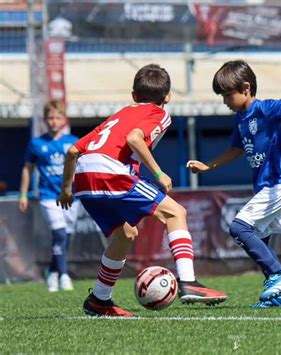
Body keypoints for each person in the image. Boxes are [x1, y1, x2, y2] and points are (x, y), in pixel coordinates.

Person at [57, 64, 227, 317]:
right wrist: (159, 173)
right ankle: (189, 282)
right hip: (110, 172)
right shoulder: (159, 114)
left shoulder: (119, 115)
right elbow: (135, 138)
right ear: (168, 97)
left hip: (83, 178)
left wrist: (66, 189)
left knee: (125, 234)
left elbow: (73, 151)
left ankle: (99, 301)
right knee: (175, 213)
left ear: (134, 95)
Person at [186, 60, 281, 308]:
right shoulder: (241, 120)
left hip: (278, 183)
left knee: (239, 228)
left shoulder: (264, 109)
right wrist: (208, 166)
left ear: (246, 87)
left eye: (228, 95)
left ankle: (279, 275)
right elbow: (235, 150)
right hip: (265, 187)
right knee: (260, 239)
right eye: (222, 96)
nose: (225, 102)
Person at [19, 101, 79, 292]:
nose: (54, 121)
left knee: (66, 237)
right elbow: (27, 168)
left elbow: (81, 167)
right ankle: (63, 275)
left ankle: (52, 271)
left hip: (70, 196)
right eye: (50, 118)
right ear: (45, 120)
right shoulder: (37, 143)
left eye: (57, 117)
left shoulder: (73, 141)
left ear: (64, 119)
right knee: (59, 233)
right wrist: (23, 194)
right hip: (47, 196)